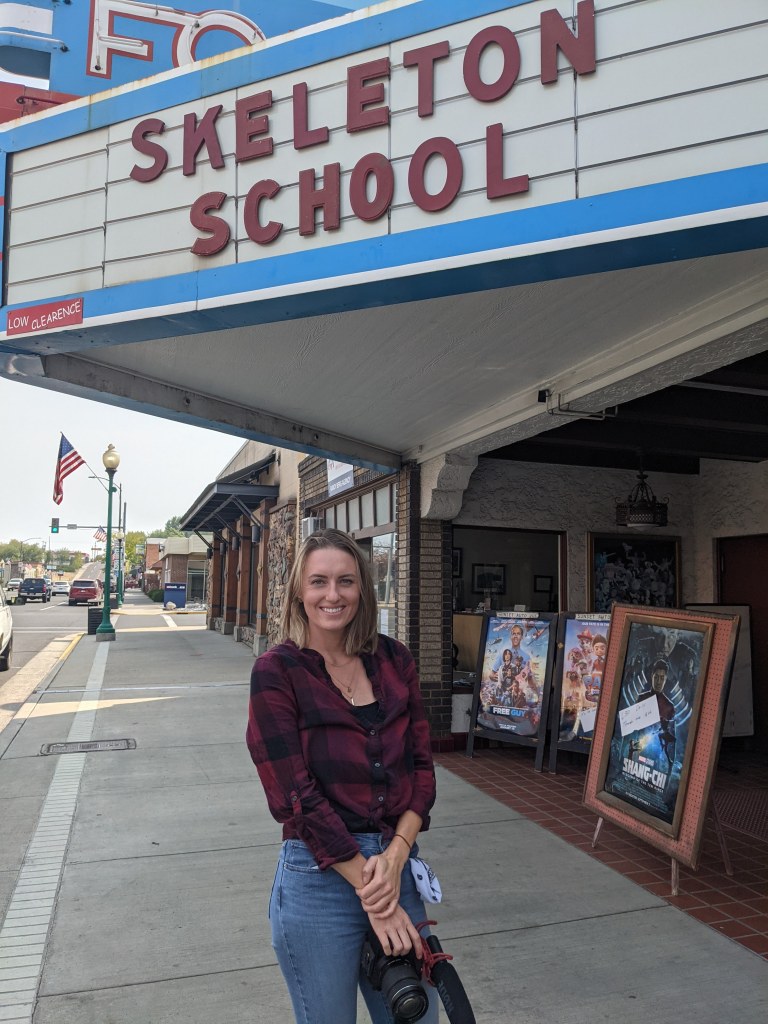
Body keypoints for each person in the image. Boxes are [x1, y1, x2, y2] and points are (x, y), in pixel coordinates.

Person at [246, 528, 439, 1024]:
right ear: (299, 593)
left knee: (415, 1015)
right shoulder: (277, 672)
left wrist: (395, 858)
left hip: (396, 869)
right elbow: (293, 796)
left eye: (346, 581)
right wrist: (372, 891)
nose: (333, 595)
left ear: (363, 590)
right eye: (319, 582)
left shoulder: (395, 660)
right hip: (319, 879)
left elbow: (421, 769)